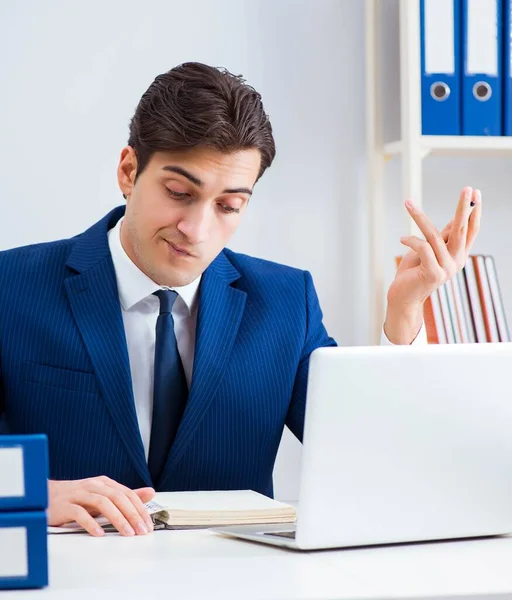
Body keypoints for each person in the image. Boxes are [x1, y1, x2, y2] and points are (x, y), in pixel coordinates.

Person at [0, 63, 481, 537]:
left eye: (229, 205)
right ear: (128, 171)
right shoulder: (13, 286)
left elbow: (375, 458)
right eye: (178, 192)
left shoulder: (284, 302)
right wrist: (32, 492)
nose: (197, 229)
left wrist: (404, 315)